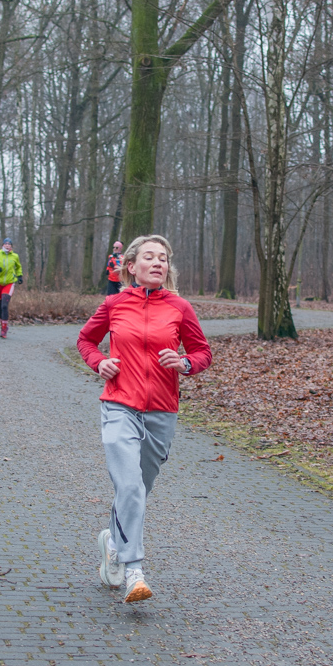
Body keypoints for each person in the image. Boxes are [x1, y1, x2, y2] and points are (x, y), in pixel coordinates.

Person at [76, 235, 211, 603]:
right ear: (131, 267)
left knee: (138, 490)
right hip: (119, 403)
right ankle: (134, 569)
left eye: (163, 259)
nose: (157, 263)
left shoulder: (180, 307)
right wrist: (98, 362)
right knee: (130, 487)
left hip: (162, 411)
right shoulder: (114, 303)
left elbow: (202, 353)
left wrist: (184, 363)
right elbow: (86, 341)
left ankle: (112, 542)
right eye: (149, 257)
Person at [0, 237, 23, 339]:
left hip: (9, 283)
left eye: (9, 244)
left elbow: (18, 267)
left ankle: (4, 328)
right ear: (2, 245)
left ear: (11, 246)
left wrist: (20, 276)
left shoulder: (15, 256)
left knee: (4, 305)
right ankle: (2, 323)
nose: (7, 245)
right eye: (5, 244)